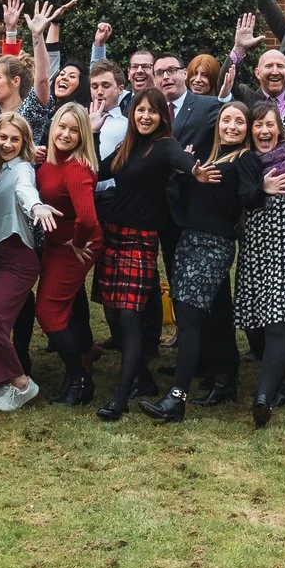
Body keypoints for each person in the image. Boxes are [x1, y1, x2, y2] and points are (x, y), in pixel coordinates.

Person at [92, 92, 214, 421]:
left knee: (129, 318)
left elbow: (181, 159)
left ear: (162, 117)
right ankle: (144, 381)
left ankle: (120, 399)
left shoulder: (164, 146)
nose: (145, 116)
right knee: (113, 314)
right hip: (113, 237)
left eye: (152, 111)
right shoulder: (127, 147)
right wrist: (93, 133)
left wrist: (195, 170)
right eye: (140, 110)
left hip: (139, 241)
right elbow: (97, 172)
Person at [141, 101, 257, 422]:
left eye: (239, 121)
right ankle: (224, 379)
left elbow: (249, 196)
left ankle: (176, 398)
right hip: (189, 241)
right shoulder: (209, 157)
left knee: (189, 319)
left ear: (247, 128)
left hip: (213, 245)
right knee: (211, 314)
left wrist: (262, 188)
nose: (232, 126)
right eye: (226, 120)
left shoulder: (244, 158)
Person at [0, 114, 60, 412]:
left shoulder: (22, 168)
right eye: (3, 137)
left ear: (24, 143)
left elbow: (24, 190)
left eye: (15, 139)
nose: (7, 144)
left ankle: (21, 384)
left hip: (17, 260)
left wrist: (36, 206)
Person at [232, 105, 285, 426]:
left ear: (279, 129)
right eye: (258, 125)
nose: (264, 131)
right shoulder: (245, 162)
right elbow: (238, 198)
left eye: (270, 125)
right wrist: (261, 189)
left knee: (277, 323)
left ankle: (262, 398)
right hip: (255, 254)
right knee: (256, 323)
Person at [32, 104, 106, 405]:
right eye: (62, 127)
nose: (65, 134)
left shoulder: (76, 168)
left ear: (83, 135)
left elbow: (88, 220)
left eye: (74, 130)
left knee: (48, 311)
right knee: (65, 307)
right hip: (57, 243)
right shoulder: (51, 161)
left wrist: (76, 242)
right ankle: (78, 368)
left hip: (76, 246)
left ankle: (80, 379)